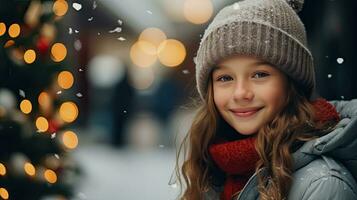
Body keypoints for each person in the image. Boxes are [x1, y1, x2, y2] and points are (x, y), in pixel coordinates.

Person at [175, 0, 357, 199]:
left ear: (291, 83)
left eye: (260, 74)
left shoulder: (323, 185)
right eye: (225, 78)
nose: (240, 93)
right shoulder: (213, 170)